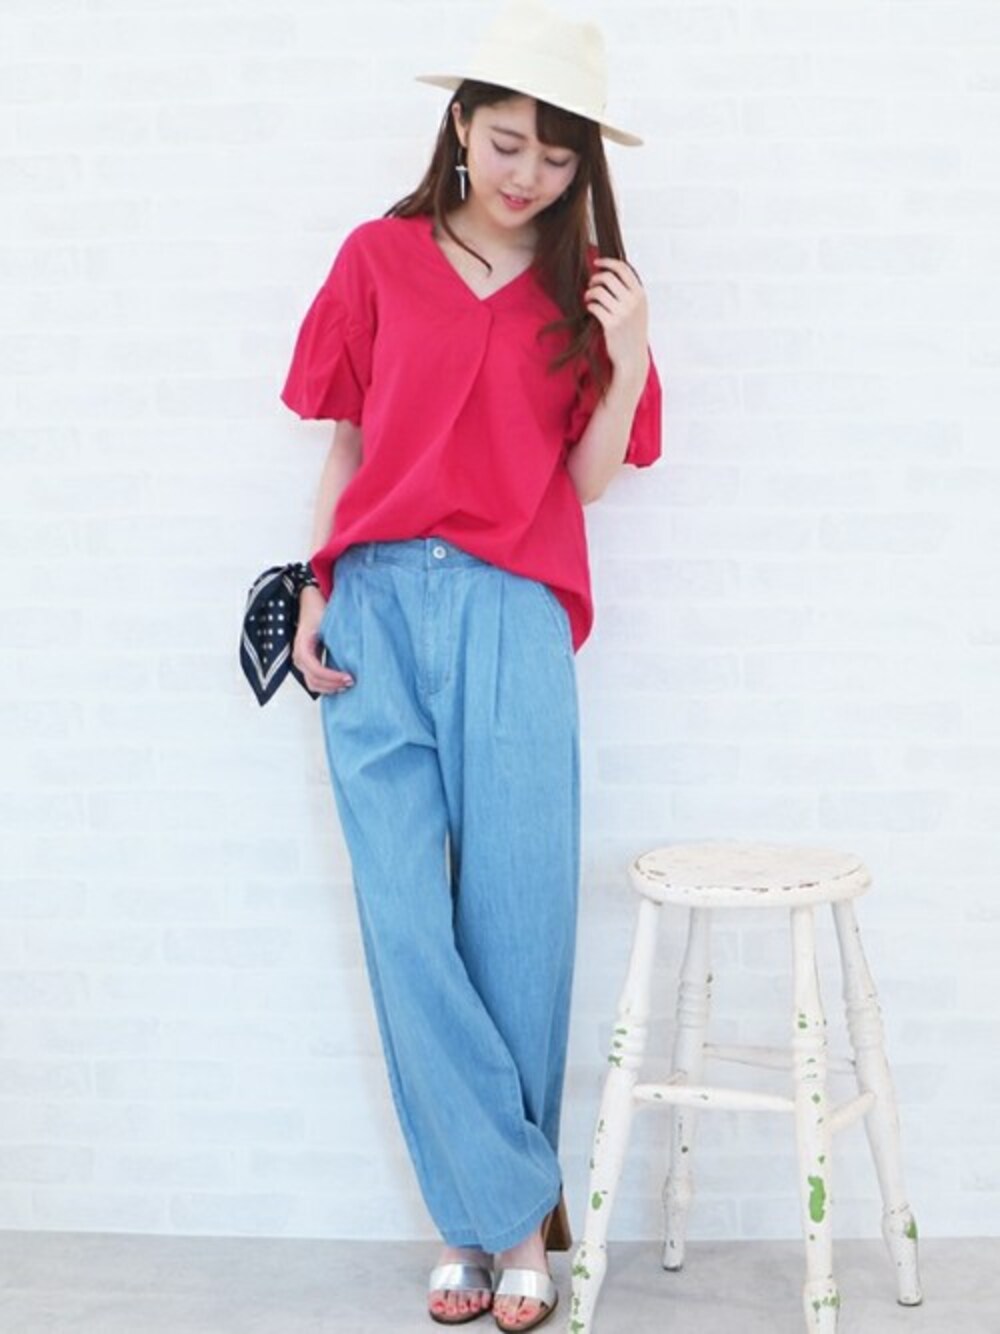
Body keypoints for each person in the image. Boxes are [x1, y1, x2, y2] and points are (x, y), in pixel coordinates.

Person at [281, 0, 661, 1327]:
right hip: (376, 607)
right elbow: (347, 442)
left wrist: (627, 359)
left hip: (513, 610)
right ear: (458, 125)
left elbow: (589, 480)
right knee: (403, 917)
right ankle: (509, 1211)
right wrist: (316, 581)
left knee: (517, 917)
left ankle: (489, 1228)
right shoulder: (377, 259)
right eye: (507, 143)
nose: (527, 176)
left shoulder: (585, 288)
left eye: (556, 157)